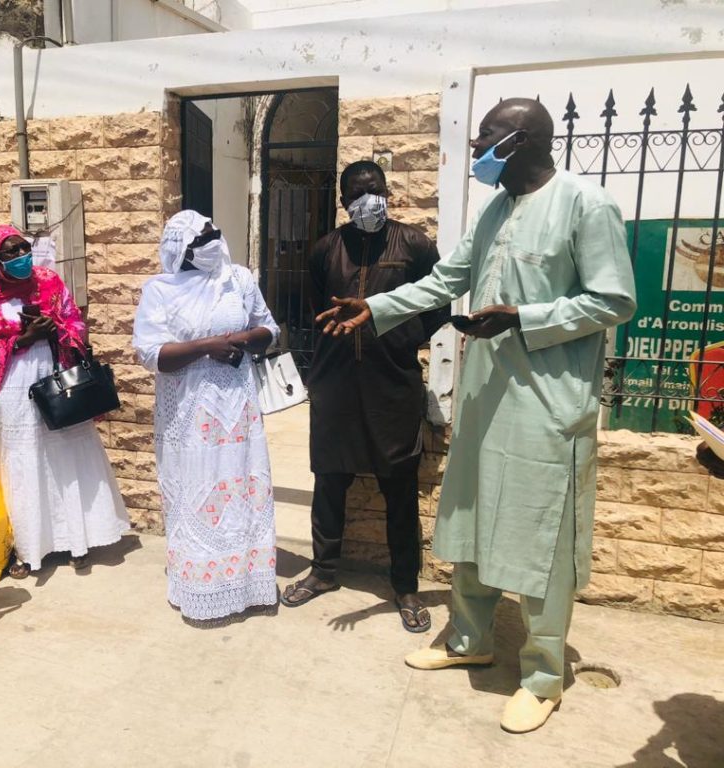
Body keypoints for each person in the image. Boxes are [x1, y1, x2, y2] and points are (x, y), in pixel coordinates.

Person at [317, 98, 636, 733]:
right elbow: (446, 280)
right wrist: (377, 308)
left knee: (541, 536)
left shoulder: (585, 204)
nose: (475, 146)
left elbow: (614, 299)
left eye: (487, 134)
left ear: (521, 140)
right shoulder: (496, 209)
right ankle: (469, 638)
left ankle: (543, 675)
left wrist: (523, 318)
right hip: (486, 396)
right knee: (471, 519)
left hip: (547, 404)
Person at [281, 161, 449, 633]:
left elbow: (439, 305)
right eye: (357, 193)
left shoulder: (414, 244)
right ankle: (323, 570)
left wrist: (399, 338)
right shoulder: (325, 249)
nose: (368, 199)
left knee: (399, 487)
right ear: (343, 201)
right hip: (335, 384)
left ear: (388, 192)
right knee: (329, 480)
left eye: (375, 189)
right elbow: (317, 308)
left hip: (392, 385)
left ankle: (405, 585)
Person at [132, 210, 280, 625]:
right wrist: (206, 346)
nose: (213, 242)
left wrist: (242, 340)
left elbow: (269, 329)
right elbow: (151, 354)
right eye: (202, 239)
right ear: (183, 250)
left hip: (238, 410)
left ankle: (250, 583)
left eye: (215, 233)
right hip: (188, 413)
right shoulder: (160, 290)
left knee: (243, 487)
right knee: (197, 494)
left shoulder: (239, 279)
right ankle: (199, 587)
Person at [0, 224, 129, 578]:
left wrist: (54, 328)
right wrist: (23, 338)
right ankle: (27, 548)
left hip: (59, 380)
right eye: (10, 252)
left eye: (23, 248)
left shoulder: (50, 282)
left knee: (65, 458)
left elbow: (77, 324)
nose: (19, 256)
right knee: (23, 461)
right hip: (15, 384)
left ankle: (76, 542)